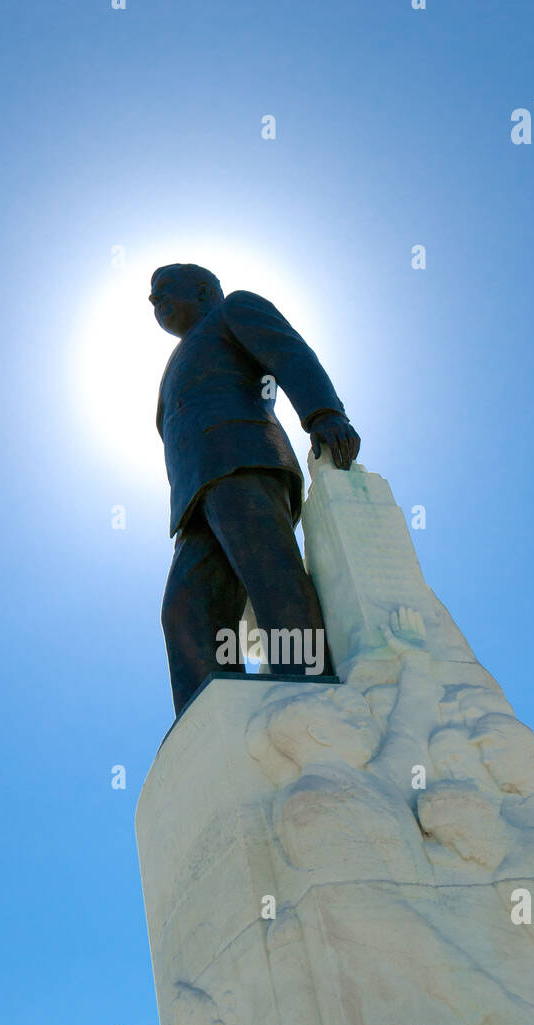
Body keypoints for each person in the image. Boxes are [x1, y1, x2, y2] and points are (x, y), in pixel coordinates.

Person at [150, 262, 360, 714]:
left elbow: (290, 354)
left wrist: (323, 413)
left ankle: (308, 694)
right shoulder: (172, 366)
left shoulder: (234, 310)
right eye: (153, 297)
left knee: (268, 573)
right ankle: (216, 722)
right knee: (185, 611)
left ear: (204, 290)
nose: (155, 301)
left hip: (244, 460)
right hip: (192, 498)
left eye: (165, 290)